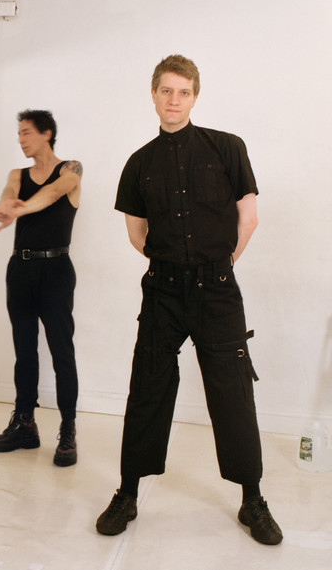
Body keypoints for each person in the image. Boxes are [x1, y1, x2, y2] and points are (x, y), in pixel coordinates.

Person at [95, 55, 282, 545]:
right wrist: (175, 266)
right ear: (153, 95)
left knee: (233, 391)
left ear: (195, 96)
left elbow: (248, 219)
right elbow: (137, 234)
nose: (174, 100)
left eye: (183, 92)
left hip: (217, 290)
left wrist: (218, 265)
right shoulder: (139, 163)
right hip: (163, 290)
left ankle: (253, 501)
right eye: (166, 91)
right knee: (147, 387)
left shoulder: (227, 148)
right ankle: (127, 494)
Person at [0, 110, 82, 467]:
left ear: (47, 133)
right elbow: (9, 194)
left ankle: (68, 429)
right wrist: (6, 205)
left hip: (56, 270)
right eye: (18, 134)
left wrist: (19, 211)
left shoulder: (71, 169)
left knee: (62, 352)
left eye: (26, 132)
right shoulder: (16, 175)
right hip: (20, 269)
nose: (21, 140)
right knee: (24, 350)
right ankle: (25, 425)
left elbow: (52, 193)